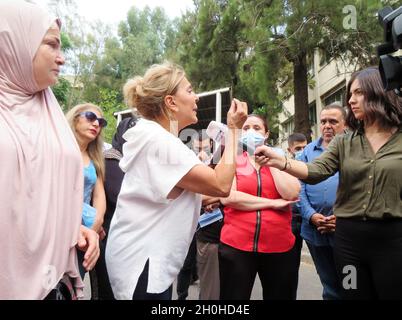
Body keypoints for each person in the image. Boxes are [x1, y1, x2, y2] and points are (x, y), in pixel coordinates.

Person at [255, 67, 402, 300]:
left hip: (393, 241)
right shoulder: (343, 142)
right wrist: (279, 161)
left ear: (379, 92)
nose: (351, 100)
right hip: (349, 243)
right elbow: (314, 171)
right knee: (351, 293)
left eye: (359, 93)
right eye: (350, 94)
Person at [105, 62, 248, 300]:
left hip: (144, 258)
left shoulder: (158, 138)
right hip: (143, 263)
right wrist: (233, 130)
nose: (197, 99)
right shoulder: (159, 141)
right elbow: (220, 185)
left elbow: (200, 192)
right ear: (171, 102)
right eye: (190, 91)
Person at [0, 1, 99, 299]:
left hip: (55, 282)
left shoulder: (49, 111)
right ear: (15, 43)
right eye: (52, 45)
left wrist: (73, 229)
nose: (62, 58)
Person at [218, 114, 301, 300]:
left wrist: (271, 162)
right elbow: (229, 197)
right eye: (246, 128)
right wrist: (272, 203)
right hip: (236, 246)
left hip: (279, 248)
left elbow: (291, 193)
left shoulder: (282, 159)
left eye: (257, 128)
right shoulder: (233, 160)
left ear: (266, 134)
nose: (250, 132)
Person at [298, 105, 346, 300]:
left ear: (344, 124)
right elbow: (298, 186)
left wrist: (341, 219)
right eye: (324, 121)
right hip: (314, 230)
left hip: (345, 231)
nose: (327, 126)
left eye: (333, 121)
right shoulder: (307, 152)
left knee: (350, 282)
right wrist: (311, 215)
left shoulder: (354, 148)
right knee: (329, 284)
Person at [94, 116, 137, 300]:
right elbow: (119, 196)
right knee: (108, 291)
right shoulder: (112, 159)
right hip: (110, 235)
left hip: (128, 238)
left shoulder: (132, 161)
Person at [286, 132, 307, 298]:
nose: (302, 151)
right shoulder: (284, 167)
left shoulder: (315, 164)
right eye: (298, 148)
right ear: (290, 149)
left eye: (305, 147)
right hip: (293, 221)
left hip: (312, 221)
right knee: (290, 269)